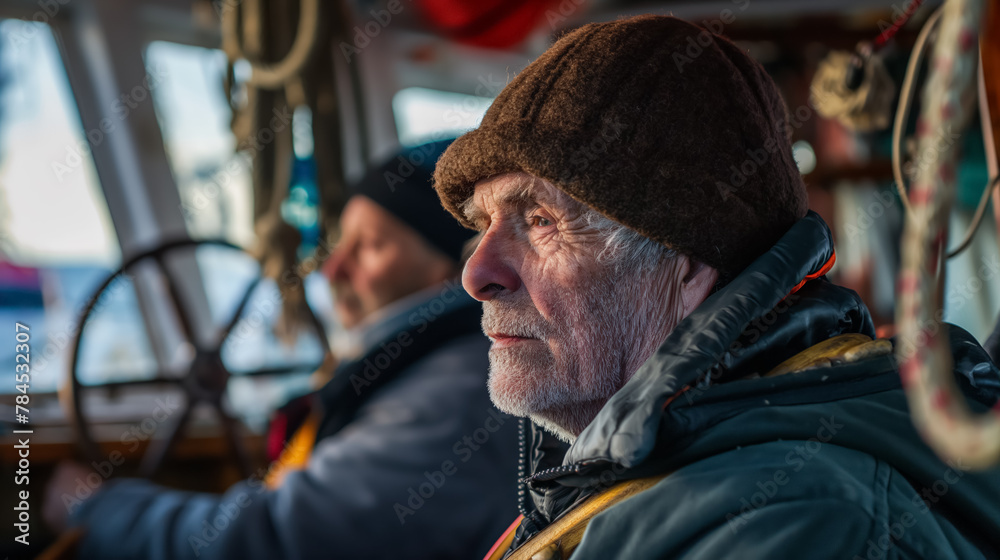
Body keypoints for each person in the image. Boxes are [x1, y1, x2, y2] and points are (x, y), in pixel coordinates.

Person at [432, 15, 1000, 559]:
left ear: (688, 264)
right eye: (483, 225)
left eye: (540, 221)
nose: (477, 275)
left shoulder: (800, 521)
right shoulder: (607, 475)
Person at [44, 140, 519, 559]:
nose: (331, 271)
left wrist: (95, 509)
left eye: (370, 247)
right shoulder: (422, 360)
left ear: (453, 271)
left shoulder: (456, 396)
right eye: (338, 245)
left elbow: (280, 541)